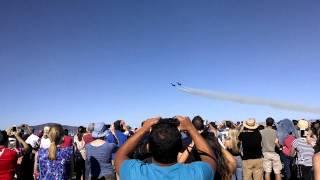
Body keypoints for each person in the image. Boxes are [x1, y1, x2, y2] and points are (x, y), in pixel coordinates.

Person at [115, 116, 216, 180]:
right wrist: (191, 128)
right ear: (179, 147)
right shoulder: (198, 174)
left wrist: (144, 129)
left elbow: (120, 155)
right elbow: (210, 159)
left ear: (150, 147)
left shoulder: (134, 173)